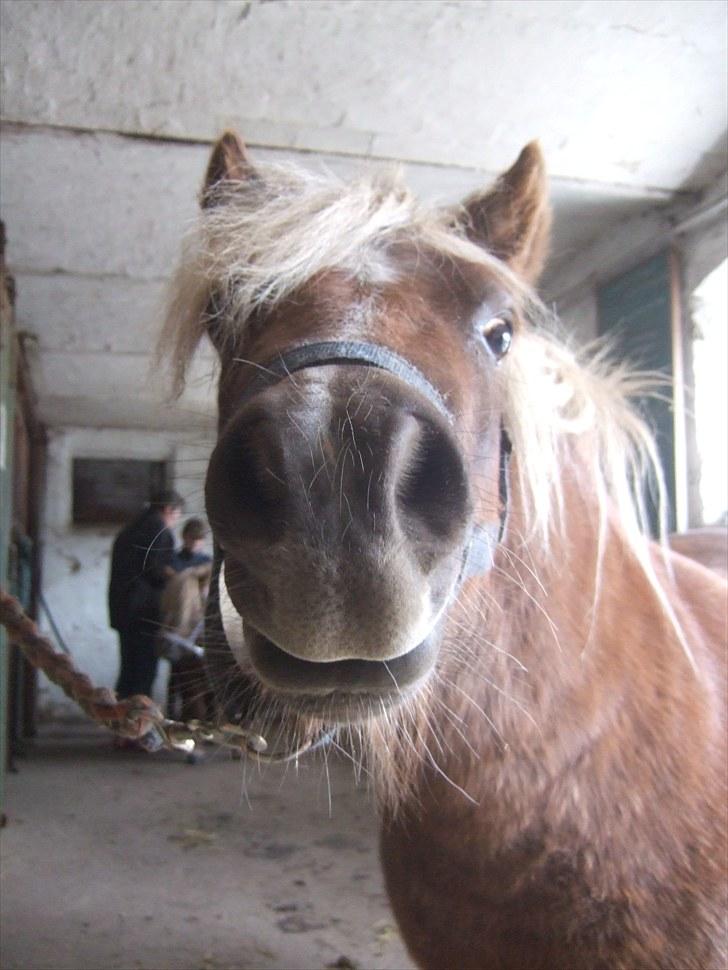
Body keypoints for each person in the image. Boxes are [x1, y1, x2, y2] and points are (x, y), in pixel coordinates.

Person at [108, 489, 184, 699]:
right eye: (177, 515)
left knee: (128, 671)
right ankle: (138, 724)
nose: (176, 521)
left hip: (124, 609)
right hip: (145, 611)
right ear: (168, 510)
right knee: (144, 673)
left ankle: (121, 722)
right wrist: (180, 579)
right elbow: (156, 571)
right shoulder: (159, 530)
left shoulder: (131, 528)